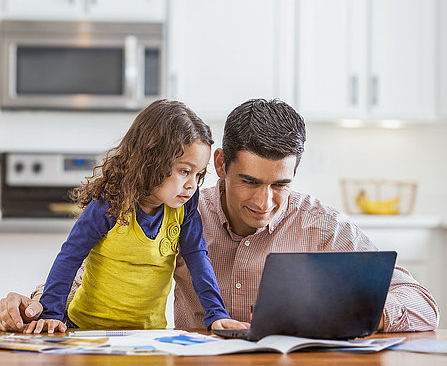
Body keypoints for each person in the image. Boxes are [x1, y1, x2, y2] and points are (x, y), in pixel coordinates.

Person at [0, 99, 440, 333]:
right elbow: (100, 270)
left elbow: (423, 306)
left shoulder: (319, 224)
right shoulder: (186, 209)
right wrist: (36, 305)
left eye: (280, 185)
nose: (265, 203)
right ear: (221, 164)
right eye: (249, 181)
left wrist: (366, 309)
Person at [3, 100, 247, 334]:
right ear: (153, 162)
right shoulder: (109, 203)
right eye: (184, 171)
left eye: (198, 175)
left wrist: (217, 314)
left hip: (147, 335)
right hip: (86, 329)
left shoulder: (185, 207)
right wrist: (52, 314)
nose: (192, 185)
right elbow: (70, 256)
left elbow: (198, 259)